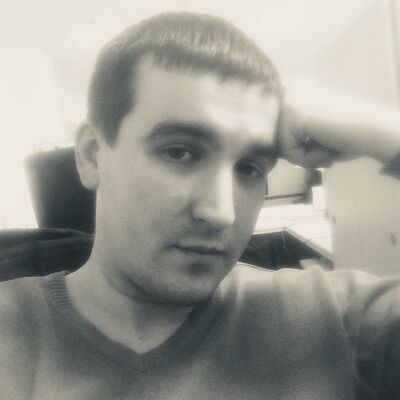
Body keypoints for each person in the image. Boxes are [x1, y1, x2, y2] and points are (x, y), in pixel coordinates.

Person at [1, 11, 400, 400]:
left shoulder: (338, 320)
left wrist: (381, 132)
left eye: (249, 168)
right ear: (92, 154)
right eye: (179, 152)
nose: (222, 213)